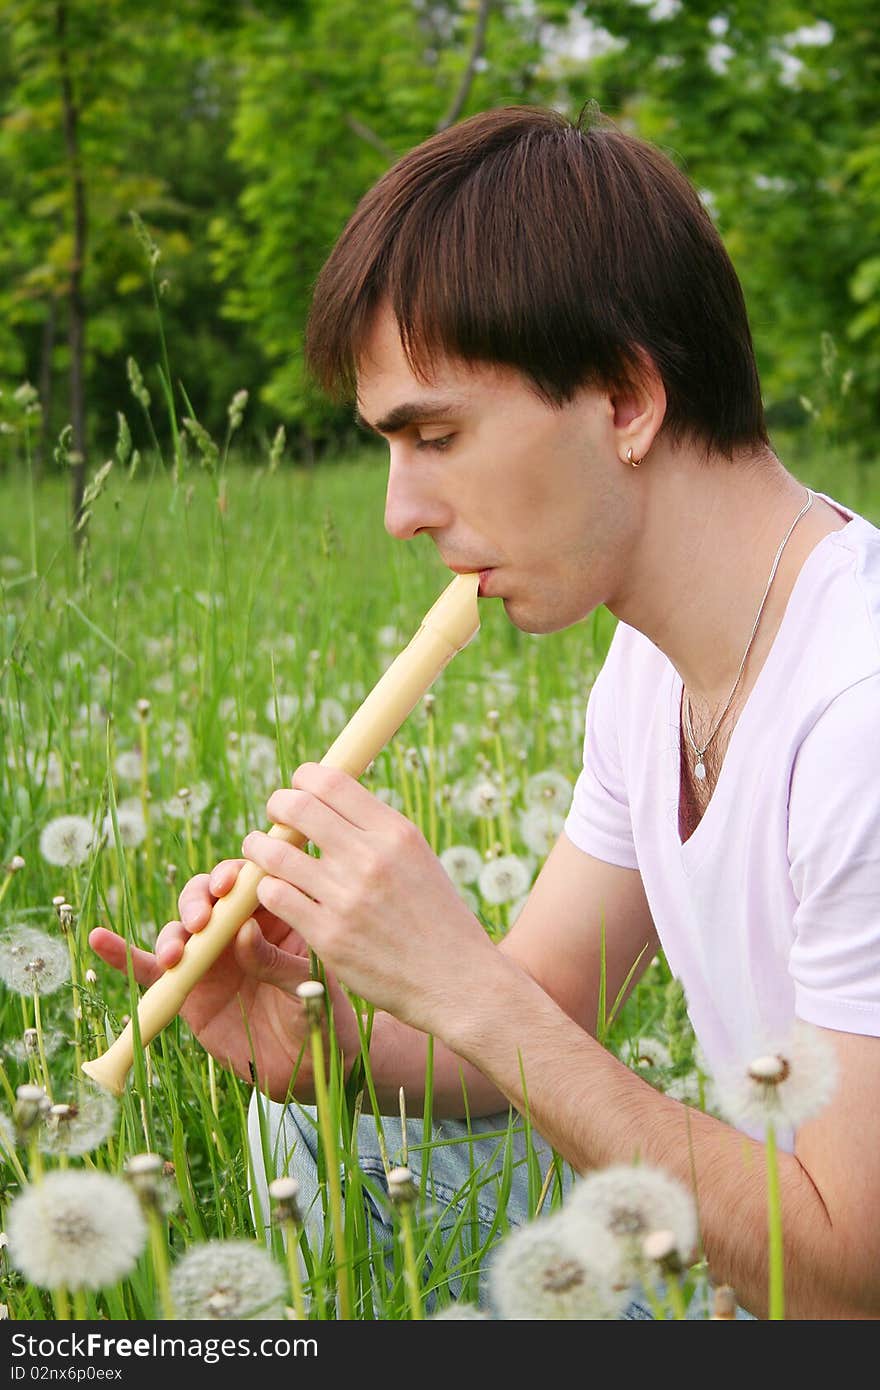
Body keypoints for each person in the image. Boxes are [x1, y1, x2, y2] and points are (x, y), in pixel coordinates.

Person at [89, 104, 880, 1319]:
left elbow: (849, 1278)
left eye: (435, 435)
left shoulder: (858, 709)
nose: (400, 511)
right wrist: (329, 1037)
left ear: (623, 399)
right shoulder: (649, 670)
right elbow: (543, 1011)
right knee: (318, 1142)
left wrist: (466, 981)